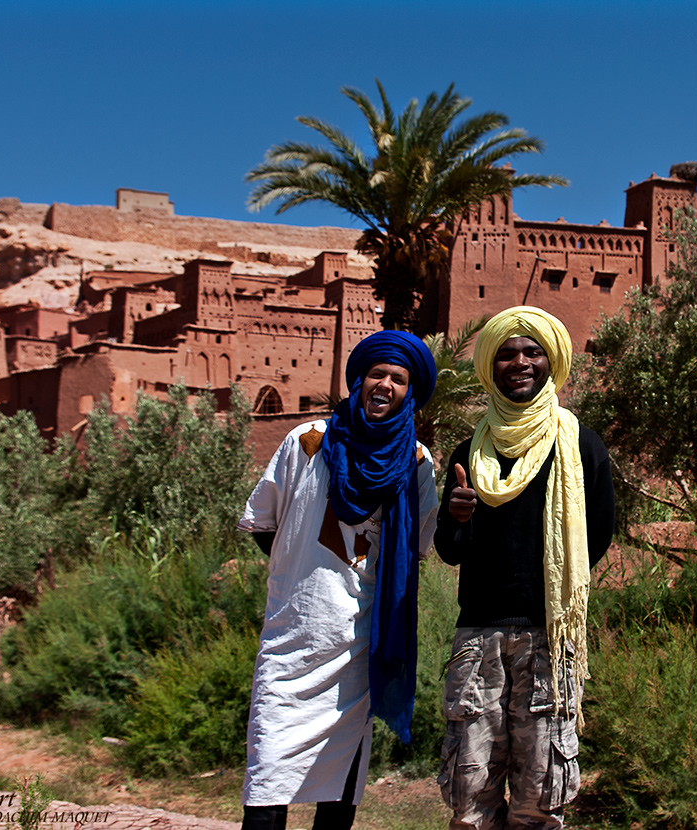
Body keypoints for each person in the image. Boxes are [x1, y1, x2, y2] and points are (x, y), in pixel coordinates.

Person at [237, 330, 439, 830]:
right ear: (358, 379)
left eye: (397, 378)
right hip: (293, 641)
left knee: (341, 791)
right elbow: (265, 525)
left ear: (408, 391)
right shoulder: (306, 442)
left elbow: (417, 551)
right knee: (267, 776)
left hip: (360, 644)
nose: (385, 385)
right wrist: (299, 572)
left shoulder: (415, 462)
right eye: (377, 374)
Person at [434, 306, 615, 830]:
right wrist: (458, 518)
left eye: (532, 352)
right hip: (478, 638)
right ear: (491, 365)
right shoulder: (469, 450)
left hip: (549, 637)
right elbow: (450, 549)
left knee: (541, 800)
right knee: (471, 799)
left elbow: (596, 536)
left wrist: (548, 588)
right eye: (508, 354)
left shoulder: (580, 445)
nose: (520, 363)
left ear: (550, 361)